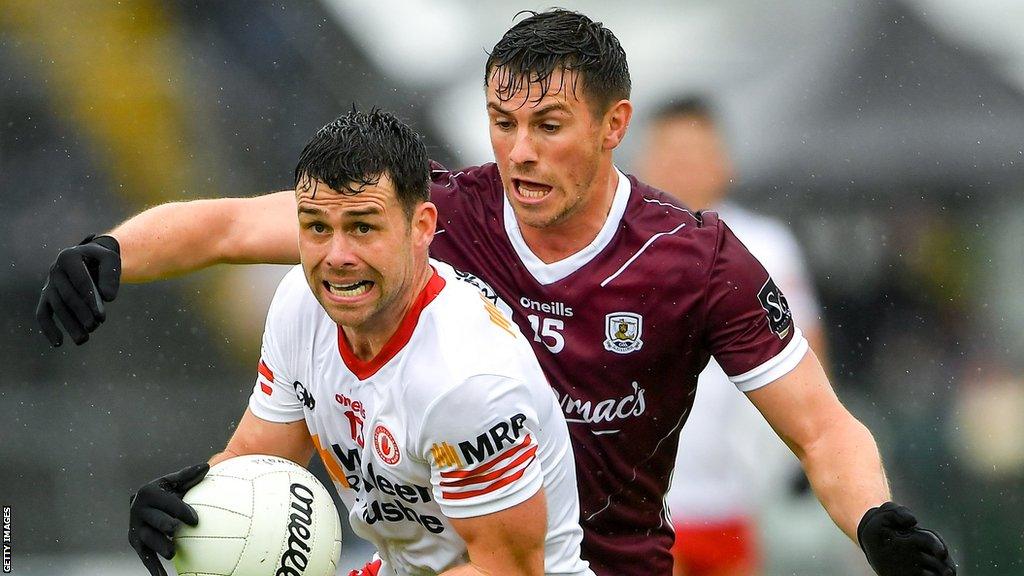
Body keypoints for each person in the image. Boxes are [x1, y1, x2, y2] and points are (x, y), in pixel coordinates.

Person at [38, 9, 956, 576]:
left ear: (612, 126)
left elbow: (823, 427)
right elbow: (234, 227)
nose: (518, 151)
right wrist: (107, 251)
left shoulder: (697, 260)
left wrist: (873, 522)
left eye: (548, 125)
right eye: (503, 122)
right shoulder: (431, 213)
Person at [125, 109, 595, 576]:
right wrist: (189, 513)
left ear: (422, 227)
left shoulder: (465, 380)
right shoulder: (300, 305)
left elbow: (507, 572)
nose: (337, 257)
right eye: (317, 228)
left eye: (362, 227)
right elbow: (259, 467)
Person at [637, 96, 829, 576]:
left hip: (736, 489)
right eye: (672, 154)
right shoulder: (620, 244)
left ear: (724, 163)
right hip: (642, 497)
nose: (684, 169)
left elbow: (807, 349)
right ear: (645, 162)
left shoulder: (764, 244)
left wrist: (809, 449)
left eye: (697, 154)